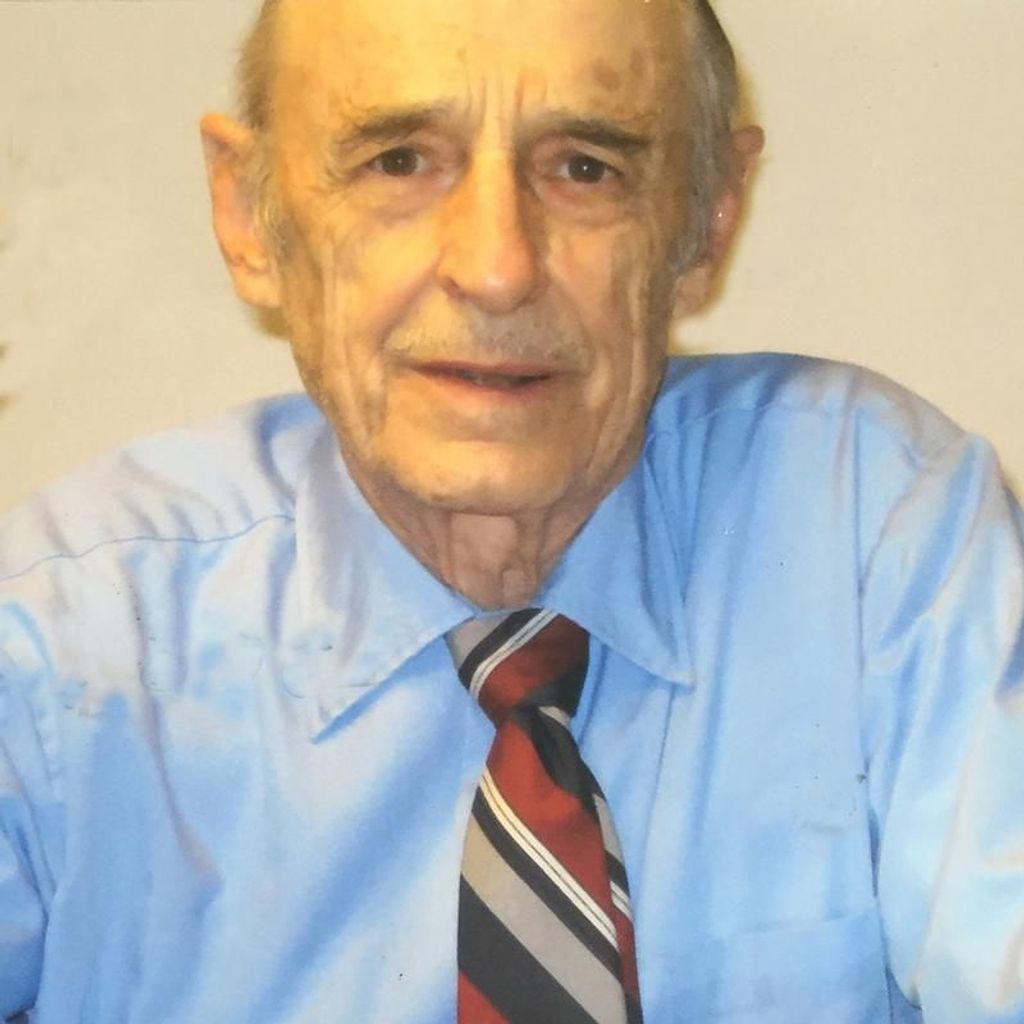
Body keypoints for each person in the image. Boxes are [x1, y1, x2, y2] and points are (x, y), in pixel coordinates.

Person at [1, 0, 1022, 1020]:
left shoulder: (874, 533)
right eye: (399, 162)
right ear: (247, 214)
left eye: (585, 168)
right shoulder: (60, 650)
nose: (497, 269)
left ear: (706, 219)